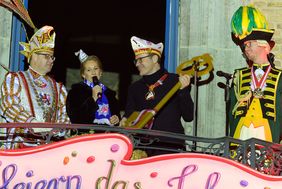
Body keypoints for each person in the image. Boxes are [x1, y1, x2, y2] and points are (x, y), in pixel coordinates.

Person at [120, 36, 194, 156]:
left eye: (141, 60)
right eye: (136, 61)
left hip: (171, 149)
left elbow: (189, 116)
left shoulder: (175, 81)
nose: (137, 64)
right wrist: (124, 121)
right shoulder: (134, 88)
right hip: (142, 151)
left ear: (154, 58)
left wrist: (183, 91)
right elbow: (129, 116)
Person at [0, 25, 70, 149]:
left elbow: (64, 114)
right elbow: (9, 106)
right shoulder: (15, 79)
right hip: (21, 147)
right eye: (46, 56)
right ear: (33, 56)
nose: (51, 60)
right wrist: (31, 123)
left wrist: (61, 127)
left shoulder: (59, 88)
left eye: (52, 57)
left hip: (49, 148)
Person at [229, 5, 282, 144]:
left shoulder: (279, 77)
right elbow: (232, 114)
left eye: (249, 43)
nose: (246, 48)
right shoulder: (238, 76)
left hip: (268, 136)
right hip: (242, 134)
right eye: (244, 45)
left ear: (263, 45)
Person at [66, 49, 120, 134]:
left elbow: (116, 116)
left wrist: (116, 119)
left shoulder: (110, 94)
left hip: (106, 137)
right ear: (83, 75)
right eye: (88, 70)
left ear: (101, 72)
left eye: (96, 68)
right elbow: (76, 119)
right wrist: (93, 98)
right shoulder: (76, 92)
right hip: (85, 137)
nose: (93, 72)